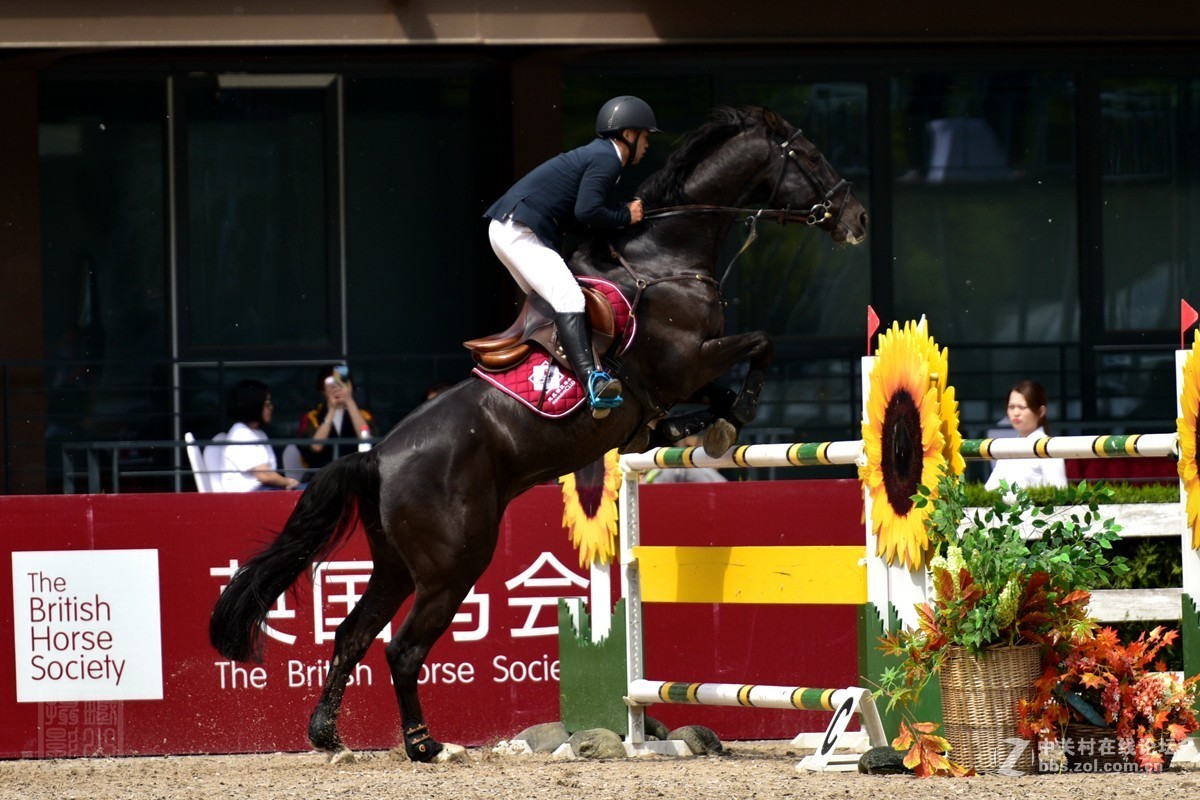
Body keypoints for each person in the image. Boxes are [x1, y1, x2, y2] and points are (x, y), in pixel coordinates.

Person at [484, 95, 659, 419]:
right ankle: (593, 381)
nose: (647, 145)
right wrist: (625, 215)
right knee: (569, 297)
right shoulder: (608, 158)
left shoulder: (600, 155)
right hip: (519, 230)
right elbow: (588, 210)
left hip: (510, 228)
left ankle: (552, 378)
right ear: (628, 134)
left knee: (552, 303)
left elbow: (580, 215)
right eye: (645, 136)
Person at [984, 379, 1067, 492]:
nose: (1015, 413)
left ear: (1041, 411)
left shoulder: (1049, 448)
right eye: (1011, 407)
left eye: (1022, 407)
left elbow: (1059, 492)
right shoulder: (1008, 448)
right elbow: (989, 490)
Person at [221, 379, 302, 492]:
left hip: (263, 491)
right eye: (267, 403)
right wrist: (288, 482)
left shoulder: (257, 433)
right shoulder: (241, 434)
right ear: (254, 405)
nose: (271, 407)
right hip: (248, 496)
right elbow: (264, 475)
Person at [297, 365, 374, 472]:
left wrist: (349, 400)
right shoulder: (312, 417)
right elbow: (315, 447)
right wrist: (332, 408)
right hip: (322, 475)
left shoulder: (362, 415)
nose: (337, 388)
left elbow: (366, 439)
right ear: (323, 390)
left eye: (342, 383)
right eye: (332, 384)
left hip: (354, 473)